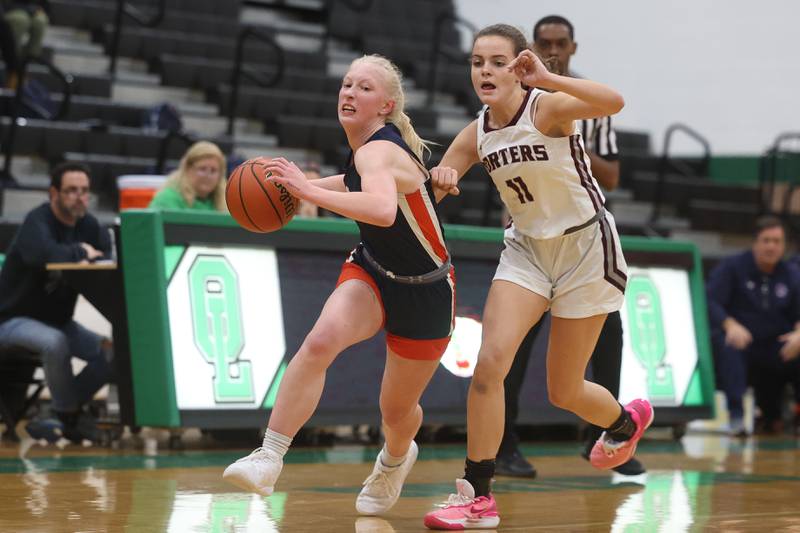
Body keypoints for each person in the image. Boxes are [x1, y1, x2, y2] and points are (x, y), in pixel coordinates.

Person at [423, 24, 652, 530]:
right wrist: (441, 176)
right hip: (526, 250)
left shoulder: (546, 106)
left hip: (585, 249)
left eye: (497, 61)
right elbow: (433, 189)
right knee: (490, 365)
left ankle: (625, 420)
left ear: (518, 66)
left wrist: (547, 77)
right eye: (478, 61)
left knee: (564, 391)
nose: (486, 70)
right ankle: (478, 495)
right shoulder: (476, 132)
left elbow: (613, 101)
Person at [222, 54, 456, 517]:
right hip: (373, 269)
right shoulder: (366, 151)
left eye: (364, 88)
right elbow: (354, 183)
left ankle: (394, 459)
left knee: (396, 412)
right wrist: (297, 187)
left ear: (386, 105)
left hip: (426, 288)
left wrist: (307, 193)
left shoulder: (378, 149)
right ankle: (269, 456)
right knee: (319, 341)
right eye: (347, 84)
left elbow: (383, 210)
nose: (350, 92)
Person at [495, 15, 644, 480]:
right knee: (509, 350)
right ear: (531, 46)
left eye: (561, 43)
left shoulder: (581, 101)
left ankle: (609, 432)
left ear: (573, 47)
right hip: (531, 240)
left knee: (607, 342)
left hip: (585, 240)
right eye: (545, 42)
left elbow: (614, 174)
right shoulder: (508, 97)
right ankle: (504, 445)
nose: (553, 48)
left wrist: (565, 131)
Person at [0, 162, 113, 444]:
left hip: (60, 321)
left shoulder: (89, 226)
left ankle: (59, 414)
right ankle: (70, 417)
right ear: (54, 193)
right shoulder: (37, 221)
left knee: (113, 352)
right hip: (12, 320)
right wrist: (80, 251)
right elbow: (42, 253)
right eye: (71, 190)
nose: (79, 196)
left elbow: (106, 256)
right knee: (55, 342)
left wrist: (86, 254)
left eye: (84, 191)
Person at [706, 215, 800, 435]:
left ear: (784, 246)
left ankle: (791, 415)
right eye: (766, 240)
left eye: (777, 241)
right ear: (755, 243)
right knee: (729, 344)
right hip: (743, 342)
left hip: (777, 346)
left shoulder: (792, 274)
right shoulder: (733, 267)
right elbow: (710, 300)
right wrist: (729, 324)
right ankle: (736, 417)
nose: (771, 246)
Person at [148, 141, 227, 212]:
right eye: (202, 169)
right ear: (188, 169)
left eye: (213, 170)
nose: (208, 175)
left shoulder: (226, 204)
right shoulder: (166, 199)